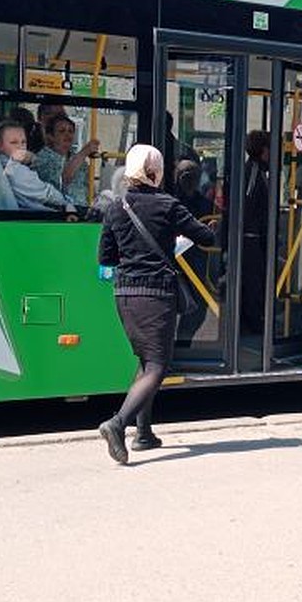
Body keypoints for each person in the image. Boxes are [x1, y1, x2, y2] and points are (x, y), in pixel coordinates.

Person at [96, 144, 216, 464]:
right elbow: (206, 237)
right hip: (155, 295)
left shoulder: (116, 206)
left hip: (124, 296)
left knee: (147, 360)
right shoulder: (168, 205)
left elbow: (106, 258)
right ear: (157, 171)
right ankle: (117, 424)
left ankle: (144, 434)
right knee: (159, 366)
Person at [0, 119, 75, 213]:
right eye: (14, 142)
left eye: (23, 142)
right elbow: (46, 193)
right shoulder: (14, 170)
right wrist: (66, 203)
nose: (20, 147)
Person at [173, 158, 214, 343]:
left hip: (192, 263)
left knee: (196, 307)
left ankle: (181, 343)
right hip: (183, 263)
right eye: (185, 176)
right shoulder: (171, 201)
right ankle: (179, 344)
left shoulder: (203, 203)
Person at [34, 113, 99, 206]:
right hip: (57, 214)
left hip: (83, 213)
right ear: (50, 136)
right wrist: (84, 152)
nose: (67, 135)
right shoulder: (42, 158)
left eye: (71, 131)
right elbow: (63, 179)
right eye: (62, 131)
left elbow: (91, 189)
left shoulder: (79, 160)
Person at [240, 130, 270, 334]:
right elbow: (248, 203)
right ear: (263, 150)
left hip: (253, 236)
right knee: (253, 281)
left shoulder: (257, 170)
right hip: (250, 237)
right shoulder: (253, 171)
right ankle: (254, 323)